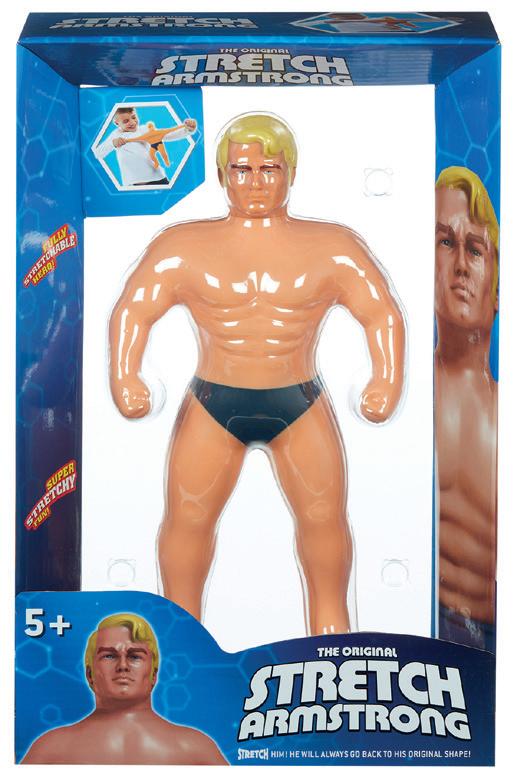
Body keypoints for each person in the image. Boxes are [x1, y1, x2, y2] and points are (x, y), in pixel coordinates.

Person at [109, 113, 406, 636]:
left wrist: (386, 380)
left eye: (269, 169)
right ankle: (180, 642)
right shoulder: (183, 245)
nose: (255, 182)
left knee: (323, 522)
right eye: (242, 169)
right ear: (221, 175)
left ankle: (333, 639)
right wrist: (124, 376)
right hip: (212, 402)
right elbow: (134, 308)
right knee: (187, 522)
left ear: (292, 172)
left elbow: (381, 312)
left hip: (299, 401)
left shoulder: (333, 246)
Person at [435, 166, 498, 653]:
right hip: (408, 631)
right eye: (444, 242)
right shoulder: (394, 400)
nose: (460, 265)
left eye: (475, 250)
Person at [22, 613, 227, 764]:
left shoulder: (195, 749)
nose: (122, 665)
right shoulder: (51, 750)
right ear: (89, 674)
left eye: (135, 656)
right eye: (109, 656)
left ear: (154, 674)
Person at [94, 106, 196, 187]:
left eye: (134, 117)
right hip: (133, 183)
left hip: (158, 178)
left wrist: (187, 130)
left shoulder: (144, 129)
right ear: (117, 123)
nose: (132, 122)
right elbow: (97, 153)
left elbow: (167, 135)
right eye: (126, 121)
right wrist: (112, 143)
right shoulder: (115, 135)